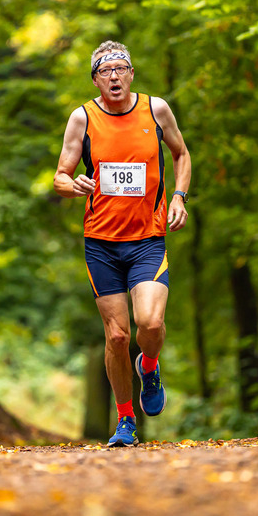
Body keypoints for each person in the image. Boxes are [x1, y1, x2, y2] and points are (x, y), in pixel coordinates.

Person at [53, 40, 191, 447]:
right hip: (102, 243)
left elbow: (181, 155)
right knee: (116, 336)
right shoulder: (82, 118)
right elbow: (60, 176)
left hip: (148, 237)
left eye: (120, 69)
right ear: (95, 80)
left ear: (131, 74)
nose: (113, 76)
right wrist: (73, 183)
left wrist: (179, 198)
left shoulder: (156, 110)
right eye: (104, 71)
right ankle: (126, 421)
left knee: (149, 323)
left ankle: (149, 365)